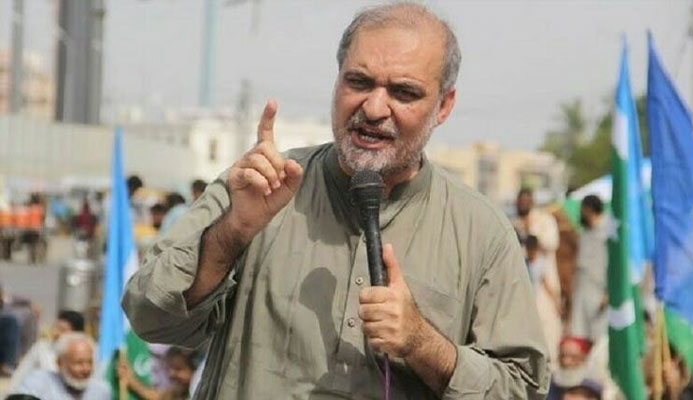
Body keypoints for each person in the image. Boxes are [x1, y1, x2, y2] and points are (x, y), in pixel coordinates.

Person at [122, 3, 549, 399]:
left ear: (444, 106)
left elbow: (521, 387)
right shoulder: (262, 187)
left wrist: (422, 343)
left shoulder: (481, 233)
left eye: (403, 92)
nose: (374, 108)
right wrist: (231, 233)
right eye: (358, 82)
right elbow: (149, 318)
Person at [512, 187, 562, 360]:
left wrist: (532, 238)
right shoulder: (513, 224)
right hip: (522, 287)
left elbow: (551, 243)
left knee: (547, 333)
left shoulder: (544, 221)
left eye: (526, 201)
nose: (523, 204)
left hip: (545, 287)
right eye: (520, 201)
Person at [11, 332, 110, 400]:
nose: (86, 369)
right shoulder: (39, 382)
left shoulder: (101, 391)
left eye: (89, 362)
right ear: (59, 363)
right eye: (79, 363)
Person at [8, 310, 85, 391]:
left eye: (63, 330)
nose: (56, 333)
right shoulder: (41, 348)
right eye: (56, 327)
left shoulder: (87, 352)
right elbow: (20, 375)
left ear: (76, 334)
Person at [569, 195, 608, 342]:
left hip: (600, 293)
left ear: (589, 210)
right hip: (583, 291)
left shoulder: (608, 232)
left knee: (600, 338)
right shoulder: (585, 234)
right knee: (581, 335)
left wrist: (608, 293)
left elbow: (615, 266)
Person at [118, 346, 202, 400]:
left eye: (179, 369)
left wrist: (132, 382)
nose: (172, 374)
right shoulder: (180, 390)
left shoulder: (201, 389)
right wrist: (131, 381)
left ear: (194, 369)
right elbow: (159, 397)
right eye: (171, 368)